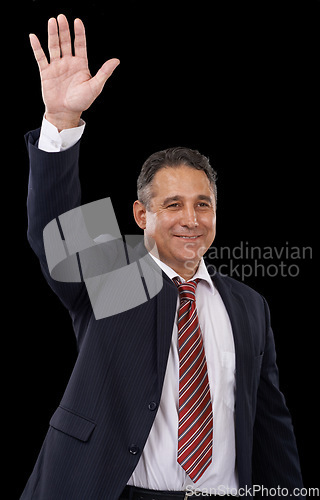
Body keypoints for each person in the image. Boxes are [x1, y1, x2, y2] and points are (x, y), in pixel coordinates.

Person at [21, 14, 304, 500]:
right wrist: (63, 124)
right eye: (172, 205)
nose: (189, 220)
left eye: (203, 205)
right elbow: (56, 237)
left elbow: (269, 423)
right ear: (140, 214)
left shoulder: (250, 304)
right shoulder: (120, 273)